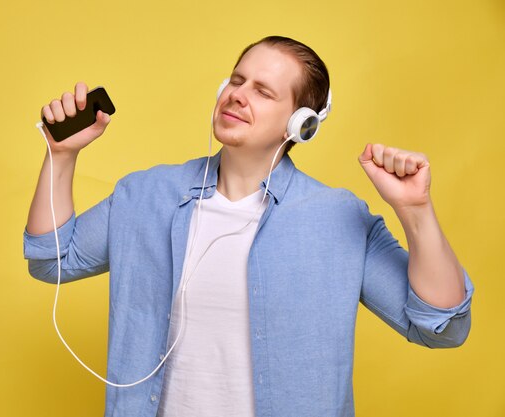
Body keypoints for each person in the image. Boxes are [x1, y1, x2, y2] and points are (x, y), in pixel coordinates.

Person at [23, 36, 474, 417]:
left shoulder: (338, 217)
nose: (238, 94)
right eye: (236, 80)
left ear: (301, 125)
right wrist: (61, 156)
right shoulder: (146, 195)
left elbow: (442, 326)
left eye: (263, 91)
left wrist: (416, 211)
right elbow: (51, 260)